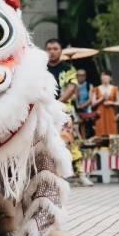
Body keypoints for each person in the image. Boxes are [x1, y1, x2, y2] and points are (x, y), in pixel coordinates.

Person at [46, 38, 93, 186]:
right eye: (49, 49)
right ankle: (49, 175)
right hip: (44, 111)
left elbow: (72, 88)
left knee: (70, 141)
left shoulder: (68, 69)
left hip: (63, 111)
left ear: (61, 51)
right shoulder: (41, 68)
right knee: (44, 143)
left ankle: (80, 173)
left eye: (55, 49)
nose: (52, 52)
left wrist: (58, 103)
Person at [91, 70, 119, 136]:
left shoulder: (115, 88)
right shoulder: (96, 89)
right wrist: (102, 99)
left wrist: (110, 102)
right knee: (101, 132)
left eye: (107, 77)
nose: (105, 79)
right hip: (100, 113)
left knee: (112, 131)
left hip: (111, 112)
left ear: (110, 78)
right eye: (103, 77)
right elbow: (93, 104)